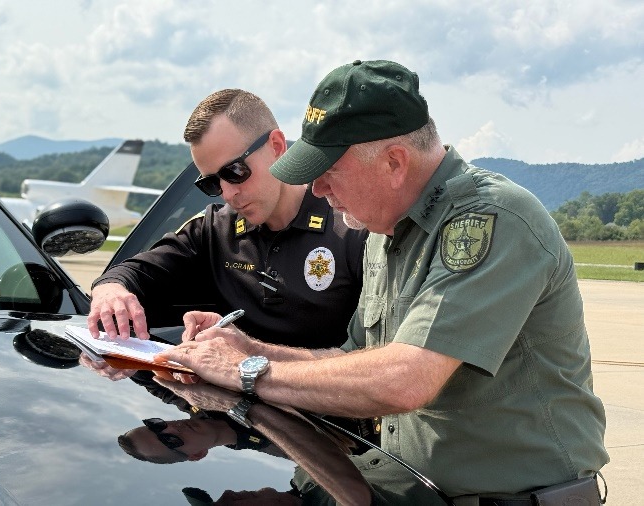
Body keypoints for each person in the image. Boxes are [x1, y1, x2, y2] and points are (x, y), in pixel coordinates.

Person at [153, 60, 609, 503]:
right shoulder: (382, 232)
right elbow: (353, 359)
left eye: (328, 173)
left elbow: (405, 381)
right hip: (404, 486)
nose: (317, 191)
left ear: (394, 162)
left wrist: (243, 373)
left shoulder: (490, 221)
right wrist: (249, 349)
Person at [87, 89, 367, 349]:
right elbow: (141, 270)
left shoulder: (350, 228)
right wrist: (110, 289)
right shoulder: (216, 230)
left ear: (277, 145)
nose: (227, 194)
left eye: (235, 172)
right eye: (211, 184)